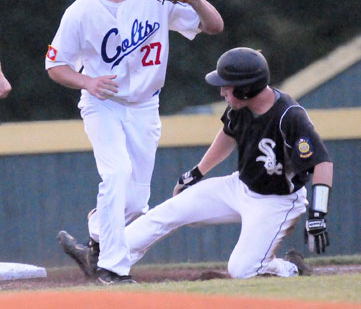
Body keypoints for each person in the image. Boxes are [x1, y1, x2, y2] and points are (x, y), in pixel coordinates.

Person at [46, 0, 223, 285]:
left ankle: (95, 237)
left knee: (134, 203)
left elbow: (214, 27)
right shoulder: (81, 11)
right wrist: (87, 81)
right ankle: (112, 269)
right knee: (116, 174)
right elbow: (54, 65)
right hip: (104, 104)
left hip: (145, 106)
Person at [59, 47, 333, 280]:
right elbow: (227, 134)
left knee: (242, 270)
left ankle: (290, 268)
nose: (223, 91)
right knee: (167, 213)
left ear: (247, 88)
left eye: (228, 85)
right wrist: (198, 172)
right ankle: (105, 259)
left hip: (278, 201)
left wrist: (318, 215)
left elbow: (322, 163)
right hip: (239, 186)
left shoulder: (289, 116)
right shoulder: (240, 107)